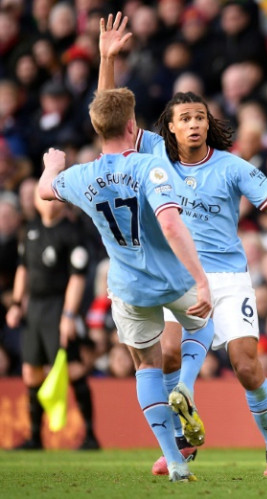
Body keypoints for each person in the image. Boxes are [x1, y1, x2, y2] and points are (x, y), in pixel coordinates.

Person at [98, 12, 267, 477]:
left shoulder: (231, 165)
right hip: (178, 278)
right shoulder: (153, 155)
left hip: (228, 278)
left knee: (246, 365)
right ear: (172, 129)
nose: (195, 124)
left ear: (208, 124)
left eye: (200, 116)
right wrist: (107, 60)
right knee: (164, 351)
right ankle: (179, 441)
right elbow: (110, 118)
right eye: (185, 118)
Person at [37, 87, 214, 483]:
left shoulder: (81, 174)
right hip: (172, 279)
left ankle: (175, 462)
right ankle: (185, 385)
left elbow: (43, 191)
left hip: (127, 288)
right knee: (205, 322)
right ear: (133, 125)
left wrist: (53, 164)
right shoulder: (151, 166)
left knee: (145, 366)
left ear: (96, 127)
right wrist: (201, 280)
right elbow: (170, 223)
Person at [6, 189, 100, 451]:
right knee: (30, 371)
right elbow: (22, 269)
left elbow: (77, 278)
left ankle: (91, 436)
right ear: (35, 200)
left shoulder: (71, 234)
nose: (47, 202)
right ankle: (35, 437)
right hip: (33, 309)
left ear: (62, 202)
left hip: (58, 307)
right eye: (42, 196)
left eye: (53, 197)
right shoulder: (31, 230)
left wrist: (69, 315)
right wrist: (16, 303)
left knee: (72, 369)